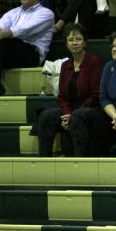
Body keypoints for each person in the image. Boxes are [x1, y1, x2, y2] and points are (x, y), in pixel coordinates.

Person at [35, 24, 105, 157]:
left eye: (78, 39)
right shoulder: (65, 65)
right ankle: (44, 160)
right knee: (46, 115)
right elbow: (62, 96)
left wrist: (73, 115)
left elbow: (96, 95)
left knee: (77, 117)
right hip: (70, 110)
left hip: (90, 109)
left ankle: (80, 162)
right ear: (66, 44)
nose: (75, 43)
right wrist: (67, 113)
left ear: (85, 42)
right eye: (71, 40)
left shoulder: (94, 62)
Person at [0, 0, 55, 96]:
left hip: (32, 54)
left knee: (0, 41)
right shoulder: (13, 12)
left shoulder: (46, 13)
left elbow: (26, 29)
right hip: (10, 51)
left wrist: (2, 33)